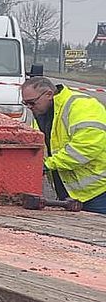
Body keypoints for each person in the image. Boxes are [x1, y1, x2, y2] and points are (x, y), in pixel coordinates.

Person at [21, 77, 106, 214]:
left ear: (49, 94)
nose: (29, 107)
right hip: (70, 193)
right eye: (25, 103)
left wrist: (48, 164)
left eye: (32, 103)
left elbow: (88, 146)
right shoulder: (42, 114)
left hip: (98, 192)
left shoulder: (81, 105)